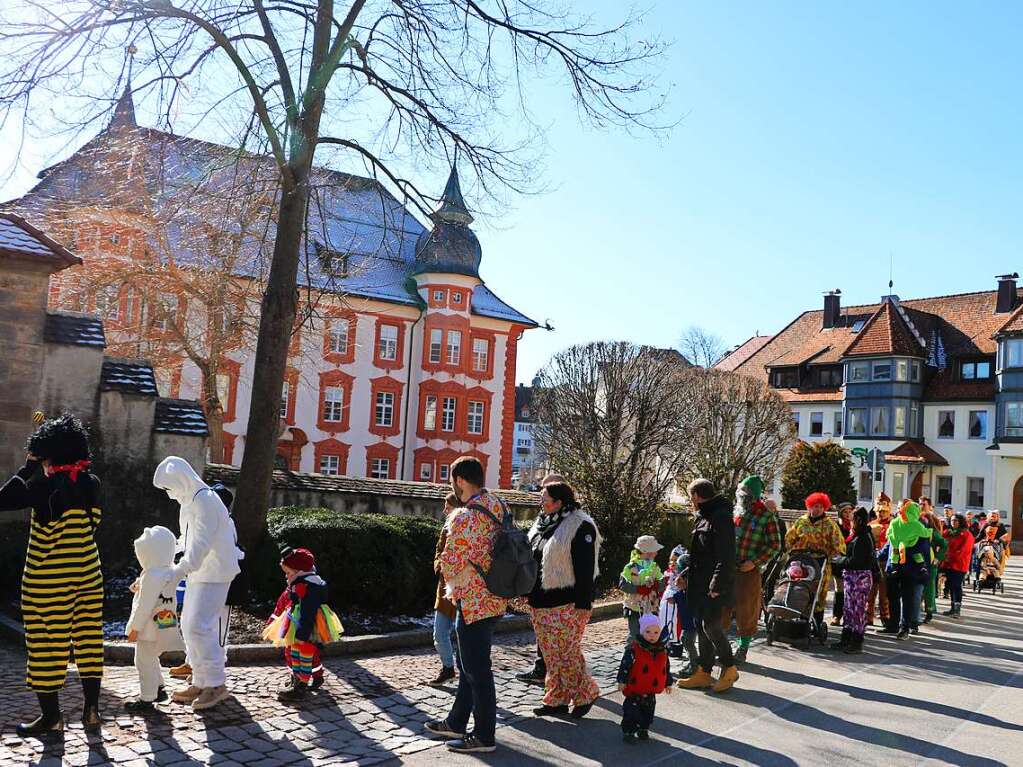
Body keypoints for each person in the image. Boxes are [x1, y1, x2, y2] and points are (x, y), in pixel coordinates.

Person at [0, 414, 104, 736]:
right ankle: (91, 711)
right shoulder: (92, 484)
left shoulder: (40, 487)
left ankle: (51, 718)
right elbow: (94, 524)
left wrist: (27, 467)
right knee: (89, 639)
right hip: (88, 572)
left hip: (47, 580)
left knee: (46, 645)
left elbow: (3, 499)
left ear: (47, 455)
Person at [425, 456, 509, 754]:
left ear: (460, 480)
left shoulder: (463, 517)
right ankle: (456, 722)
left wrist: (445, 566)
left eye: (453, 480)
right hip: (496, 596)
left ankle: (484, 736)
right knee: (468, 665)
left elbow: (449, 563)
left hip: (473, 602)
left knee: (477, 670)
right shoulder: (498, 504)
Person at [154, 456, 243, 711]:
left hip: (214, 572)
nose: (169, 495)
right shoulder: (190, 501)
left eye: (169, 488)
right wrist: (166, 558)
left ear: (180, 481)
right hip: (201, 572)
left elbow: (200, 545)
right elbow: (186, 538)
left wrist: (177, 572)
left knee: (198, 627)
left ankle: (215, 684)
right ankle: (202, 680)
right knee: (190, 625)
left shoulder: (204, 500)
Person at [525, 481, 601, 719]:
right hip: (540, 601)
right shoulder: (542, 523)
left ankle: (586, 693)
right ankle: (556, 699)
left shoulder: (581, 526)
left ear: (559, 502)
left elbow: (585, 569)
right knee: (550, 654)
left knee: (566, 653)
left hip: (567, 602)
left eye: (545, 498)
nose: (541, 502)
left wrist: (583, 604)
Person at [676, 478, 738, 694]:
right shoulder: (704, 516)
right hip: (700, 582)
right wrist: (685, 573)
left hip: (715, 584)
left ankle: (729, 668)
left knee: (710, 626)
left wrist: (716, 584)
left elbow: (726, 555)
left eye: (690, 497)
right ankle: (704, 671)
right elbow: (700, 554)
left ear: (696, 496)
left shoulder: (720, 516)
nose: (690, 501)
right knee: (702, 626)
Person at [263, 547, 342, 702]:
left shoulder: (307, 587)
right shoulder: (301, 583)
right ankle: (298, 680)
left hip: (306, 627)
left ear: (300, 572)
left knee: (304, 654)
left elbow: (307, 613)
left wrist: (302, 634)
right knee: (295, 652)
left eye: (288, 573)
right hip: (298, 623)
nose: (286, 577)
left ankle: (301, 686)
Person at [721, 475, 783, 665]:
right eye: (741, 492)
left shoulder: (766, 515)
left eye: (746, 493)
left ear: (754, 496)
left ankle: (743, 647)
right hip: (728, 567)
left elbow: (775, 545)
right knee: (722, 607)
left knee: (746, 610)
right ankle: (721, 646)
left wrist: (755, 562)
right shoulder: (736, 511)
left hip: (749, 570)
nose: (742, 496)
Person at [125, 526, 185, 712]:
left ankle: (147, 698)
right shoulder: (169, 570)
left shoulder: (152, 575)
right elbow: (156, 590)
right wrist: (139, 584)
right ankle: (158, 688)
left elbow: (145, 606)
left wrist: (135, 628)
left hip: (148, 626)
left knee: (143, 660)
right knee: (151, 657)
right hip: (163, 621)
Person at [516, 472, 566, 685]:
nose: (541, 496)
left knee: (556, 638)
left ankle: (559, 679)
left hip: (555, 589)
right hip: (538, 586)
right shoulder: (542, 518)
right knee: (542, 634)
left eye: (546, 492)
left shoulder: (568, 521)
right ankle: (543, 669)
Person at [784, 492, 846, 631]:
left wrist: (834, 556)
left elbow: (839, 545)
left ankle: (816, 622)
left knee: (818, 593)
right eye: (814, 506)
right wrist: (790, 551)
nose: (817, 509)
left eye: (820, 506)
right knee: (799, 590)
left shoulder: (830, 525)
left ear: (824, 508)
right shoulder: (801, 521)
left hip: (821, 562)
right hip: (801, 562)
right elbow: (789, 539)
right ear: (809, 507)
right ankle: (798, 622)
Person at [617, 614, 674, 743]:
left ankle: (643, 728)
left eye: (656, 632)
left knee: (647, 712)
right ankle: (629, 731)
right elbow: (625, 665)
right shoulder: (634, 649)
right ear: (642, 632)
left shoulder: (662, 650)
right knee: (631, 712)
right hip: (635, 689)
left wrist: (668, 683)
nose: (652, 635)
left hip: (650, 690)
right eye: (648, 632)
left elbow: (665, 668)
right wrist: (622, 680)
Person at [829, 508, 878, 653]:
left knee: (857, 611)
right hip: (851, 578)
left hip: (859, 578)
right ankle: (846, 639)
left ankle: (856, 642)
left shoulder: (863, 538)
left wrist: (840, 560)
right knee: (848, 609)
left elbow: (857, 561)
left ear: (858, 520)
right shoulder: (857, 535)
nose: (850, 522)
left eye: (853, 519)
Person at [882, 500, 931, 639]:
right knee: (892, 597)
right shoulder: (894, 524)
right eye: (898, 509)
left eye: (902, 509)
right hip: (893, 566)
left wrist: (923, 567)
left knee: (907, 599)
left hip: (910, 569)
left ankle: (905, 628)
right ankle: (893, 625)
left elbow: (924, 550)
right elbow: (890, 544)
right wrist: (877, 556)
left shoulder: (918, 527)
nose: (899, 511)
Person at [430, 492, 461, 687]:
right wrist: (439, 564)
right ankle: (448, 667)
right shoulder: (445, 528)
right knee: (439, 634)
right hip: (444, 591)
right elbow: (438, 551)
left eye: (447, 506)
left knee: (463, 636)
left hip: (462, 591)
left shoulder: (466, 528)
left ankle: (464, 672)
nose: (444, 510)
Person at [619, 536, 665, 639]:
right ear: (647, 552)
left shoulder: (655, 567)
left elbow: (662, 583)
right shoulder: (630, 568)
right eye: (655, 551)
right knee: (634, 636)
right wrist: (638, 589)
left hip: (652, 608)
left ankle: (648, 655)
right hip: (634, 608)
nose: (656, 553)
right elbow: (623, 585)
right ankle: (629, 654)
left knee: (651, 636)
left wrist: (656, 585)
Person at [662, 545, 697, 674]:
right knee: (685, 640)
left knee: (687, 641)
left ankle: (694, 664)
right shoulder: (685, 590)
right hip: (687, 624)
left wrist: (675, 597)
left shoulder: (689, 591)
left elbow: (683, 597)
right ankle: (692, 662)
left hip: (690, 624)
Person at [941, 514, 974, 618]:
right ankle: (952, 607)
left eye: (955, 520)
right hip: (948, 563)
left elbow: (964, 550)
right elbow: (941, 544)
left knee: (956, 585)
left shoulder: (966, 534)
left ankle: (957, 609)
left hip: (960, 564)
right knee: (950, 585)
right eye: (951, 520)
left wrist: (950, 556)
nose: (953, 522)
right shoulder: (948, 533)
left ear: (960, 521)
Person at [867, 492, 892, 626]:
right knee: (870, 591)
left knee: (884, 593)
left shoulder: (893, 524)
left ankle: (885, 616)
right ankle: (868, 617)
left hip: (885, 561)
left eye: (883, 511)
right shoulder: (871, 524)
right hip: (872, 561)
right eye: (878, 511)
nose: (880, 513)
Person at [921, 506, 947, 624]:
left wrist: (937, 558)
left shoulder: (933, 532)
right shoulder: (918, 531)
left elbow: (944, 544)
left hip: (930, 564)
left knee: (929, 588)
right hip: (919, 563)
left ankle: (929, 612)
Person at [830, 503, 854, 626]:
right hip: (839, 561)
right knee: (839, 589)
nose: (848, 514)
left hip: (851, 561)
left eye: (850, 511)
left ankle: (849, 616)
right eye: (845, 512)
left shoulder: (854, 525)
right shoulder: (836, 525)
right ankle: (836, 615)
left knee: (850, 591)